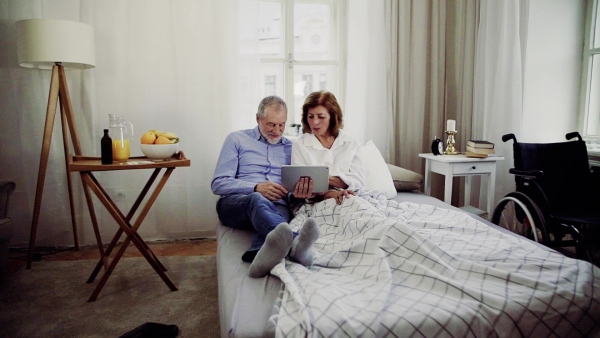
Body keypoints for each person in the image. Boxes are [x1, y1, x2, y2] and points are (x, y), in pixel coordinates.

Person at [212, 96, 320, 278]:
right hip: (238, 204)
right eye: (271, 124)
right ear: (258, 119)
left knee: (275, 218)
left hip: (277, 206)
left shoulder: (291, 148)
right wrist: (255, 188)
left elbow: (291, 189)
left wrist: (299, 193)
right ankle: (296, 244)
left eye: (281, 125)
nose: (277, 131)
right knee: (257, 199)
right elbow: (219, 183)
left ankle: (257, 256)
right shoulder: (236, 139)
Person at [292, 91, 365, 204]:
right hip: (318, 201)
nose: (315, 122)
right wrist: (336, 184)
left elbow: (358, 181)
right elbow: (300, 183)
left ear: (333, 117)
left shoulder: (351, 143)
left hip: (351, 196)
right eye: (310, 117)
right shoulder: (300, 144)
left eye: (321, 117)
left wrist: (321, 180)